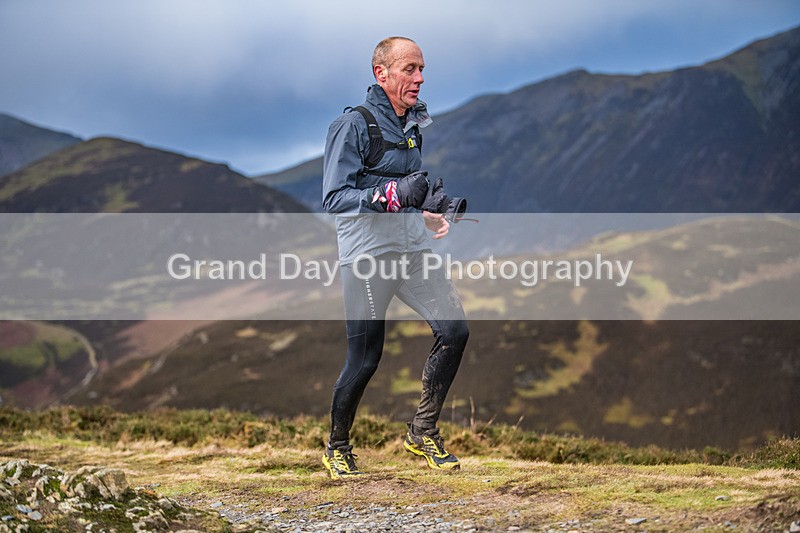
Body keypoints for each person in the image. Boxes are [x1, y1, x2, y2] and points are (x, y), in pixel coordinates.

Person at [321, 36, 469, 479]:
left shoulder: (412, 125)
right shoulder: (352, 125)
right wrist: (390, 194)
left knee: (455, 331)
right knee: (366, 359)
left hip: (411, 251)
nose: (419, 78)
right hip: (368, 256)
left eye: (421, 69)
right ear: (380, 73)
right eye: (409, 69)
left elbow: (404, 193)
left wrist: (430, 210)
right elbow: (334, 198)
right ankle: (338, 446)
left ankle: (422, 432)